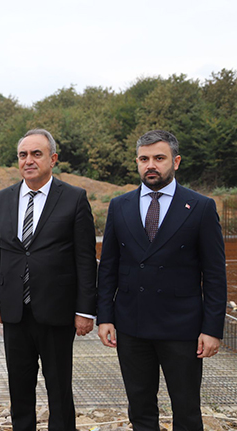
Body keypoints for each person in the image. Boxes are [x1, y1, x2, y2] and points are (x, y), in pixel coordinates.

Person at [97, 130, 227, 430]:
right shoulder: (120, 206)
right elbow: (109, 267)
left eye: (159, 158)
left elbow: (214, 274)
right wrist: (105, 317)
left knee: (187, 409)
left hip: (182, 327)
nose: (151, 165)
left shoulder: (200, 207)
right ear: (137, 162)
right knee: (140, 408)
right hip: (131, 325)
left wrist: (212, 329)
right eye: (144, 159)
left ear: (176, 162)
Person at [0, 128, 97, 431]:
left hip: (57, 311)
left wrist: (86, 310)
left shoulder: (73, 198)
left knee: (59, 388)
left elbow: (85, 259)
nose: (28, 160)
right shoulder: (2, 199)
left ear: (53, 159)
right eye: (23, 155)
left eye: (36, 154)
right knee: (19, 388)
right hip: (14, 311)